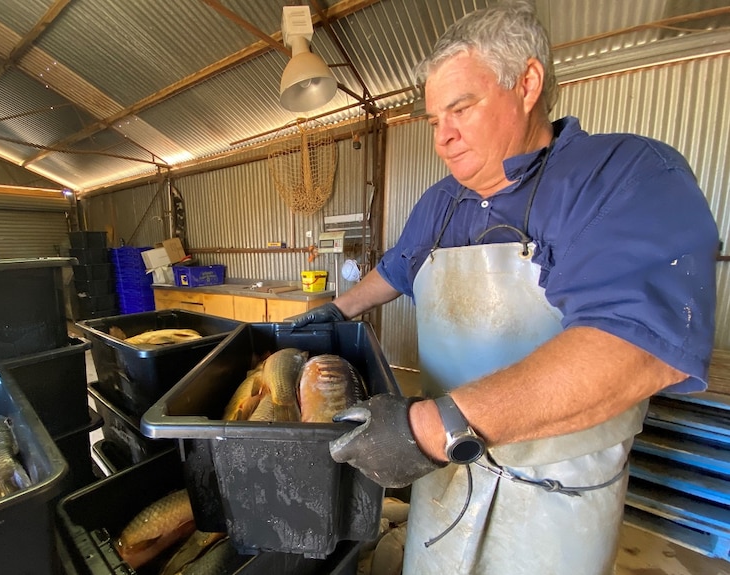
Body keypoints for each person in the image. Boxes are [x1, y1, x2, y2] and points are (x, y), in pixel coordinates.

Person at [290, 2, 718, 574]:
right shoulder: (440, 202)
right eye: (435, 120)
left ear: (527, 83)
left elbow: (638, 348)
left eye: (461, 108)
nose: (444, 138)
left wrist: (428, 427)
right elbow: (396, 271)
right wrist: (333, 311)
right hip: (442, 472)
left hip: (557, 493)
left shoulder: (622, 174)